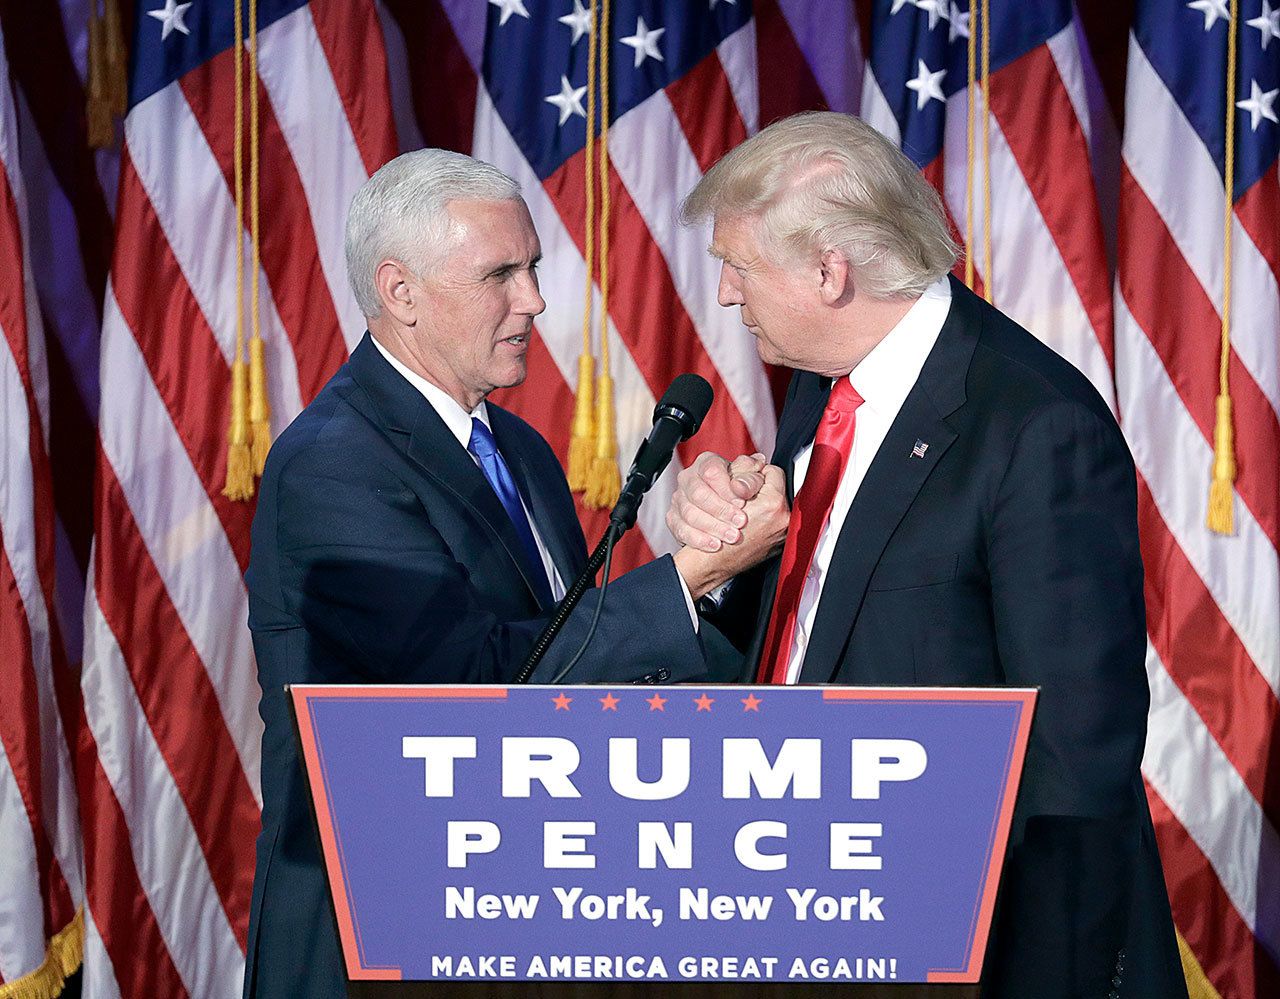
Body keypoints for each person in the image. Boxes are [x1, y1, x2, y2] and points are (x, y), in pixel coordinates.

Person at [242, 149, 787, 999]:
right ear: (401, 292)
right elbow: (474, 683)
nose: (534, 300)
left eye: (533, 267)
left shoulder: (520, 449)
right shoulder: (332, 466)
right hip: (386, 947)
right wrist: (683, 578)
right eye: (501, 273)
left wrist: (727, 571)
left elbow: (582, 680)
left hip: (515, 928)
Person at [667, 112, 1187, 998]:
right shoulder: (822, 387)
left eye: (739, 266)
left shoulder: (1032, 424)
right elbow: (807, 636)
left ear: (830, 272)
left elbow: (1071, 765)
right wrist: (727, 556)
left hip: (961, 955)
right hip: (809, 917)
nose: (722, 293)